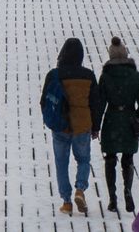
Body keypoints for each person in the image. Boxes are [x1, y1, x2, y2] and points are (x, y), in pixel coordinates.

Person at [41, 38, 101, 216]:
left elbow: (44, 100)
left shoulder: (54, 75)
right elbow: (95, 103)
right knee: (83, 159)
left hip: (61, 125)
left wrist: (51, 119)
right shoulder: (88, 76)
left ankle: (66, 202)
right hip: (82, 124)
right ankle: (80, 189)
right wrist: (95, 126)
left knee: (61, 163)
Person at [98, 37, 139, 213]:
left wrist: (95, 125)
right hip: (129, 120)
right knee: (128, 158)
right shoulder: (136, 76)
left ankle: (112, 198)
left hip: (111, 119)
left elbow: (100, 103)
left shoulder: (105, 76)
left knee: (110, 159)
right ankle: (128, 191)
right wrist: (137, 116)